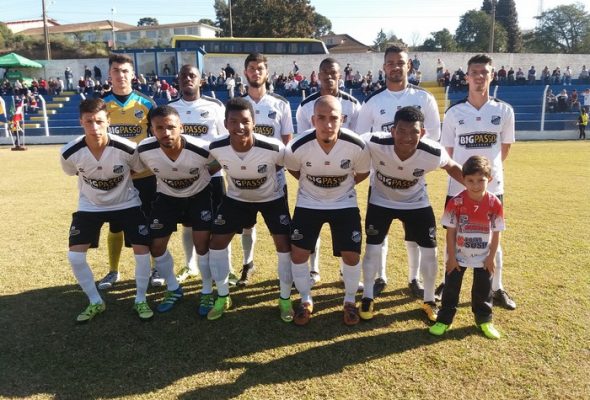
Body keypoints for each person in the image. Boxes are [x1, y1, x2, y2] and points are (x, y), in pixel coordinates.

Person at [360, 106, 463, 322]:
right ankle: (368, 296)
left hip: (416, 202)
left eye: (414, 132)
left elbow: (452, 167)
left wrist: (477, 188)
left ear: (422, 133)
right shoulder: (374, 141)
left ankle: (429, 299)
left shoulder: (433, 152)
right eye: (402, 131)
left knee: (430, 250)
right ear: (392, 131)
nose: (407, 137)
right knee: (372, 247)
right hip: (381, 201)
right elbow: (349, 146)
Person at [356, 43, 441, 298]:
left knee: (413, 235)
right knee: (378, 236)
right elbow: (362, 141)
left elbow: (433, 136)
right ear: (384, 67)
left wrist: (411, 162)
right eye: (391, 63)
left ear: (409, 66)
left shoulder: (424, 98)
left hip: (413, 182)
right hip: (381, 182)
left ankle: (414, 278)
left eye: (400, 63)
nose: (396, 67)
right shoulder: (373, 101)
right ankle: (380, 277)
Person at [60, 98, 153, 323]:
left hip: (127, 203)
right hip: (90, 205)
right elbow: (72, 172)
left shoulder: (127, 148)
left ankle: (141, 299)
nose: (94, 127)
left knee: (142, 251)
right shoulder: (69, 152)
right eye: (89, 122)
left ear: (108, 121)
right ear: (81, 122)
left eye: (99, 121)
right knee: (75, 256)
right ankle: (95, 301)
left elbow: (137, 169)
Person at [285, 96, 371, 326]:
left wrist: (341, 187)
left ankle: (349, 300)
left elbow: (362, 172)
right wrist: (316, 188)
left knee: (351, 255)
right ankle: (305, 299)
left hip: (344, 203)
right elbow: (293, 169)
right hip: (308, 203)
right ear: (313, 120)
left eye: (333, 118)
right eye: (321, 118)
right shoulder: (297, 146)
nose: (328, 124)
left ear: (342, 119)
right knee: (299, 254)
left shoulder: (357, 145)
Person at [440, 53, 516, 310]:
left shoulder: (504, 110)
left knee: (493, 236)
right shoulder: (454, 112)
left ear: (492, 76)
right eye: (474, 72)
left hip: (492, 188)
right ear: (467, 77)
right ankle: (447, 282)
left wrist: (485, 178)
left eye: (484, 72)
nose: (479, 76)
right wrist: (466, 180)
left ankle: (497, 287)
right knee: (453, 234)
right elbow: (448, 153)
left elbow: (504, 150)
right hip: (458, 187)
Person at [207, 97, 293, 322]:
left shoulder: (273, 147)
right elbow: (210, 165)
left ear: (254, 123)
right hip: (237, 199)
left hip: (271, 199)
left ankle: (285, 299)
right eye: (233, 121)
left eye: (245, 121)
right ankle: (222, 296)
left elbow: (284, 164)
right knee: (216, 243)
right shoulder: (216, 147)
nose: (240, 126)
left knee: (284, 245)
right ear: (225, 124)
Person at [137, 105, 216, 315]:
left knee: (202, 244)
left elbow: (218, 162)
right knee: (156, 246)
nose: (166, 133)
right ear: (152, 129)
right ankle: (173, 288)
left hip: (198, 196)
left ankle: (207, 291)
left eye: (171, 127)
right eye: (159, 128)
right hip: (167, 198)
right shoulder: (144, 150)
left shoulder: (201, 148)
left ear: (181, 127)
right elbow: (134, 168)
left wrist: (204, 175)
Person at [295, 57, 362, 286]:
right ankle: (313, 270)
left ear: (340, 76)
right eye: (325, 72)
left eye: (334, 73)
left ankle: (345, 273)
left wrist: (345, 178)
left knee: (344, 229)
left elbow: (358, 143)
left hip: (343, 177)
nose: (329, 77)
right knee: (311, 227)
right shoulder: (306, 106)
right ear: (318, 75)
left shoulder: (353, 104)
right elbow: (303, 145)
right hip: (313, 176)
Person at [97, 54, 159, 290]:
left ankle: (155, 268)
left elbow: (156, 140)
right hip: (116, 178)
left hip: (144, 176)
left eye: (125, 71)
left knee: (149, 222)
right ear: (109, 74)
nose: (121, 75)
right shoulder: (102, 105)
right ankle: (113, 271)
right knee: (116, 225)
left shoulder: (147, 103)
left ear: (133, 74)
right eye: (116, 70)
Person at [165, 64, 230, 285]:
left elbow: (225, 140)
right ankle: (190, 264)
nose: (187, 79)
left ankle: (226, 268)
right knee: (188, 223)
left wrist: (215, 166)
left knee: (220, 225)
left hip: (213, 176)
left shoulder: (215, 106)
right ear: (178, 80)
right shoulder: (171, 108)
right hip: (185, 179)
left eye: (192, 75)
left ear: (201, 80)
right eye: (183, 75)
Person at [429, 155, 505, 340]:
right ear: (463, 179)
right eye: (470, 180)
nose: (476, 185)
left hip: (484, 256)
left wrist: (491, 257)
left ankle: (484, 320)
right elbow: (450, 232)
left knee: (483, 289)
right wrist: (451, 257)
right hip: (459, 255)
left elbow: (497, 232)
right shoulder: (455, 202)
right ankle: (444, 319)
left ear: (490, 179)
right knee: (451, 288)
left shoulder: (494, 203)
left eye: (481, 180)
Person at [239, 52, 294, 286]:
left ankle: (286, 270)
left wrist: (276, 168)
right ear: (245, 72)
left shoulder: (280, 103)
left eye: (260, 68)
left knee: (280, 228)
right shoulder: (238, 105)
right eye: (252, 68)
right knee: (246, 225)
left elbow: (287, 141)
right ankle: (247, 263)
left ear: (267, 72)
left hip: (274, 179)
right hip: (245, 177)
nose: (256, 72)